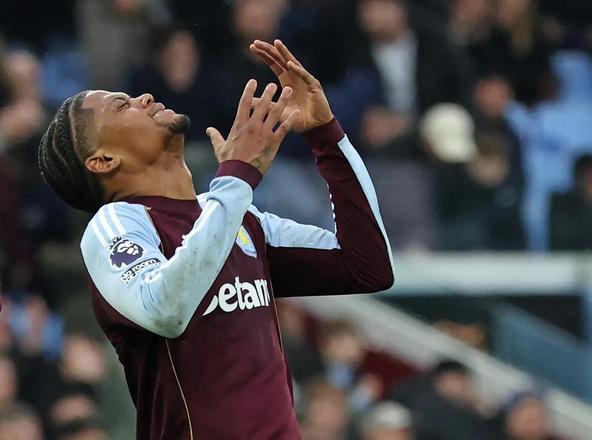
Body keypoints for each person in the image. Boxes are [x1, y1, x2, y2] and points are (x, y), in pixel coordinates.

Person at [37, 39, 393, 439]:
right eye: (122, 106)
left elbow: (368, 266)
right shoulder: (116, 225)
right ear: (103, 161)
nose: (144, 97)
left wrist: (325, 135)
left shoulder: (237, 216)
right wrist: (236, 178)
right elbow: (165, 309)